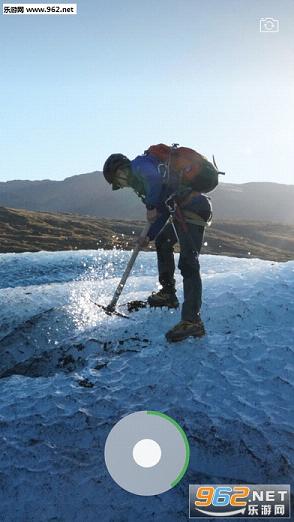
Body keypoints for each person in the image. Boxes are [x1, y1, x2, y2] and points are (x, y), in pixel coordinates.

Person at [103, 147, 216, 342]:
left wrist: (150, 205)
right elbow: (162, 210)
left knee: (188, 262)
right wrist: (149, 236)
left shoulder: (139, 164)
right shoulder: (142, 181)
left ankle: (192, 321)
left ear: (121, 170)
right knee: (163, 241)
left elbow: (155, 184)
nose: (121, 185)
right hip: (183, 208)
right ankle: (168, 293)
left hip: (193, 208)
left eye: (117, 181)